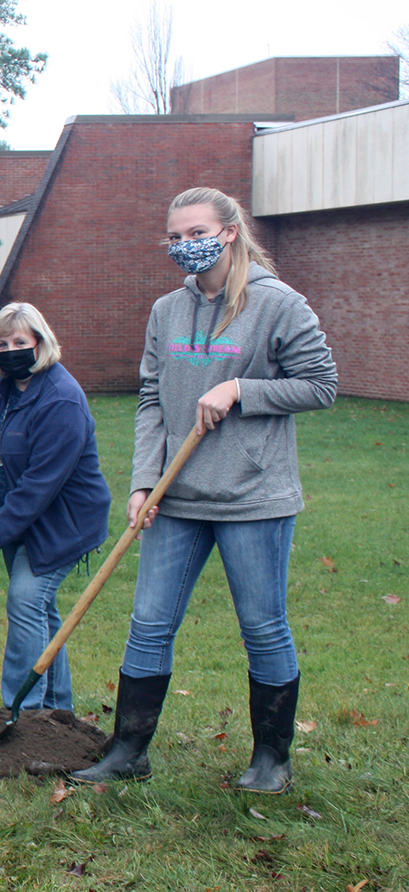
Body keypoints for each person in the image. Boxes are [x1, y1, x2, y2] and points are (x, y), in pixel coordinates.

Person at [72, 187, 337, 792]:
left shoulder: (278, 304)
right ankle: (129, 751)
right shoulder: (168, 311)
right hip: (177, 497)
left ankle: (272, 758)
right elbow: (149, 399)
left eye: (196, 232)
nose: (184, 245)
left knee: (263, 626)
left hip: (253, 498)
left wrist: (243, 390)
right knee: (148, 623)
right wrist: (143, 480)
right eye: (175, 236)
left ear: (229, 233)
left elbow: (321, 385)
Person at [0, 303, 110, 713]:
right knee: (40, 611)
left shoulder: (62, 400)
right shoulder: (8, 386)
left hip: (62, 521)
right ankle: (57, 711)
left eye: (20, 342)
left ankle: (23, 709)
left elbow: (39, 486)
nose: (11, 350)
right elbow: (11, 430)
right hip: (23, 520)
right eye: (2, 343)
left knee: (26, 601)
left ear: (40, 343)